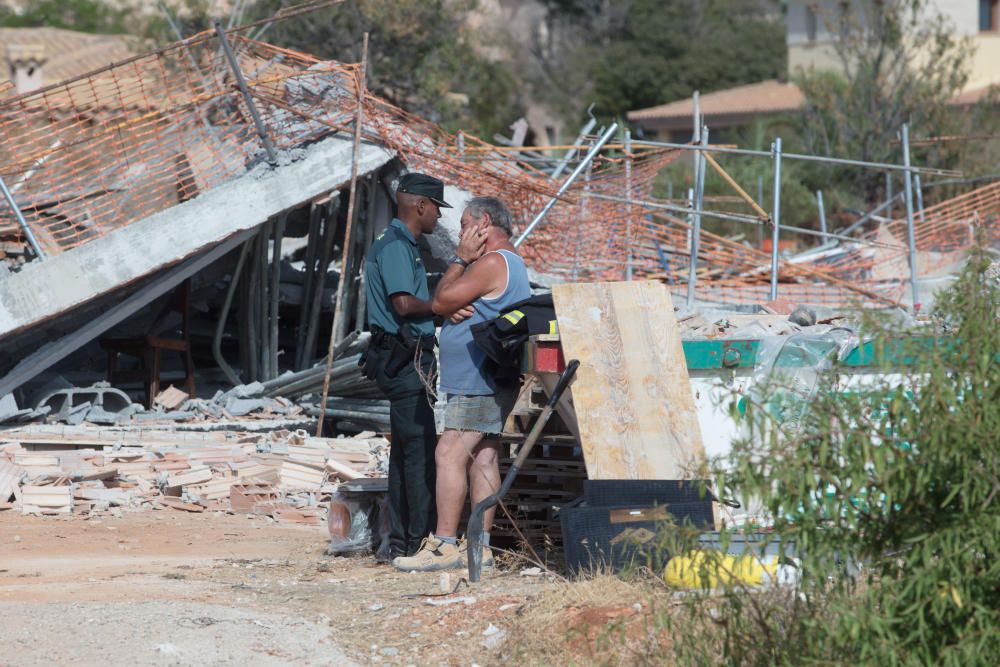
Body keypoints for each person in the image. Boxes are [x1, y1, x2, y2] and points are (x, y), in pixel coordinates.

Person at [392, 196, 531, 572]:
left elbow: (440, 301)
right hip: (486, 376)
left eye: (466, 225)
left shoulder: (489, 262)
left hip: (477, 378)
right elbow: (450, 303)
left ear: (483, 223)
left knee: (448, 453)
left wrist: (459, 260)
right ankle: (480, 549)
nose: (462, 234)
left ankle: (445, 545)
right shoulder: (510, 263)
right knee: (482, 457)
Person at [362, 172, 469, 560]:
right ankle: (414, 544)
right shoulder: (395, 246)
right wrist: (445, 307)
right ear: (420, 205)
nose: (438, 219)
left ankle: (399, 543)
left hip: (404, 359)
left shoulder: (400, 243)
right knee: (420, 454)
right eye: (436, 210)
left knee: (407, 453)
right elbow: (404, 305)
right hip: (403, 362)